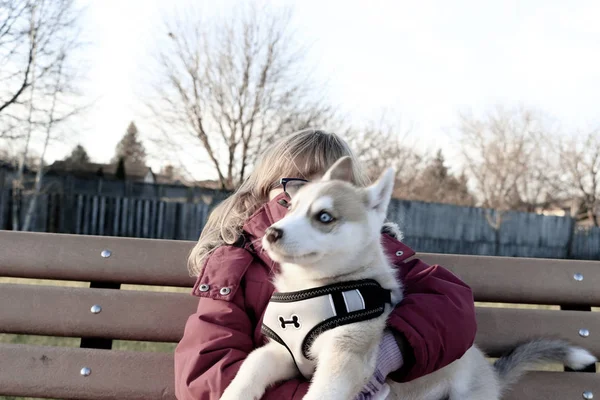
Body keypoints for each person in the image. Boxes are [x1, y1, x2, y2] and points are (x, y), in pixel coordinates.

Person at [174, 129, 477, 400]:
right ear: (263, 192)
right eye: (297, 187)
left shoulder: (377, 255)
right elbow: (206, 373)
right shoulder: (235, 266)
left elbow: (453, 306)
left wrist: (386, 352)